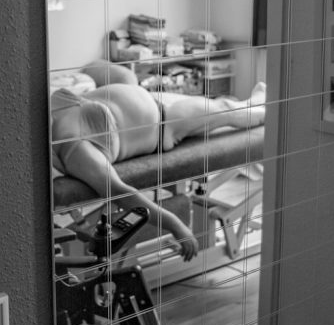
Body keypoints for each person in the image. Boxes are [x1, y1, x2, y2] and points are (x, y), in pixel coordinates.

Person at [51, 63, 265, 261]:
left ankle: (258, 100)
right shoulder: (75, 150)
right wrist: (175, 225)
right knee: (228, 110)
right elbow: (120, 192)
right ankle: (267, 109)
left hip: (155, 99)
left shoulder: (52, 105)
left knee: (224, 105)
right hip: (167, 124)